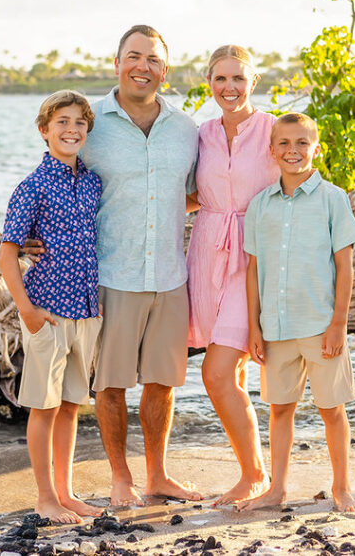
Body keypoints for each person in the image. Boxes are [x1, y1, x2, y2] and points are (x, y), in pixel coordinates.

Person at [79, 25, 202, 506]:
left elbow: (195, 194)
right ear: (117, 64)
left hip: (171, 276)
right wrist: (31, 237)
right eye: (134, 56)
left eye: (152, 60)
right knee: (110, 384)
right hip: (112, 274)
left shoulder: (186, 129)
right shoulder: (90, 122)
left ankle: (158, 477)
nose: (142, 67)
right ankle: (120, 478)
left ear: (164, 71)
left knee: (162, 383)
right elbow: (57, 176)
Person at [238, 112, 355, 513]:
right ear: (271, 149)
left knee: (331, 409)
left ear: (316, 148)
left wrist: (338, 324)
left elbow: (344, 266)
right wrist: (255, 327)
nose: (293, 151)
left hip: (320, 324)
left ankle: (341, 487)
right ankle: (276, 490)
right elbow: (254, 268)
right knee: (280, 409)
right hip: (276, 327)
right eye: (285, 143)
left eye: (301, 143)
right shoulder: (260, 205)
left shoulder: (333, 198)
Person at [0, 90, 104, 524]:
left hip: (85, 308)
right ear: (44, 131)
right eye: (62, 121)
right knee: (44, 405)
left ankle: (67, 492)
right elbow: (7, 254)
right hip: (46, 310)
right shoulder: (32, 187)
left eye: (80, 122)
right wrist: (27, 311)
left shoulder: (94, 182)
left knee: (71, 404)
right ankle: (44, 497)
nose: (71, 129)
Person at [185, 45, 278, 505]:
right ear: (209, 84)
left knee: (216, 372)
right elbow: (178, 194)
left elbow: (302, 186)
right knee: (233, 373)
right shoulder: (199, 134)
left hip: (253, 259)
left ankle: (253, 474)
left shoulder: (273, 130)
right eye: (221, 79)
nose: (230, 87)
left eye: (238, 78)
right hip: (206, 252)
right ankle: (256, 473)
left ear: (253, 82)